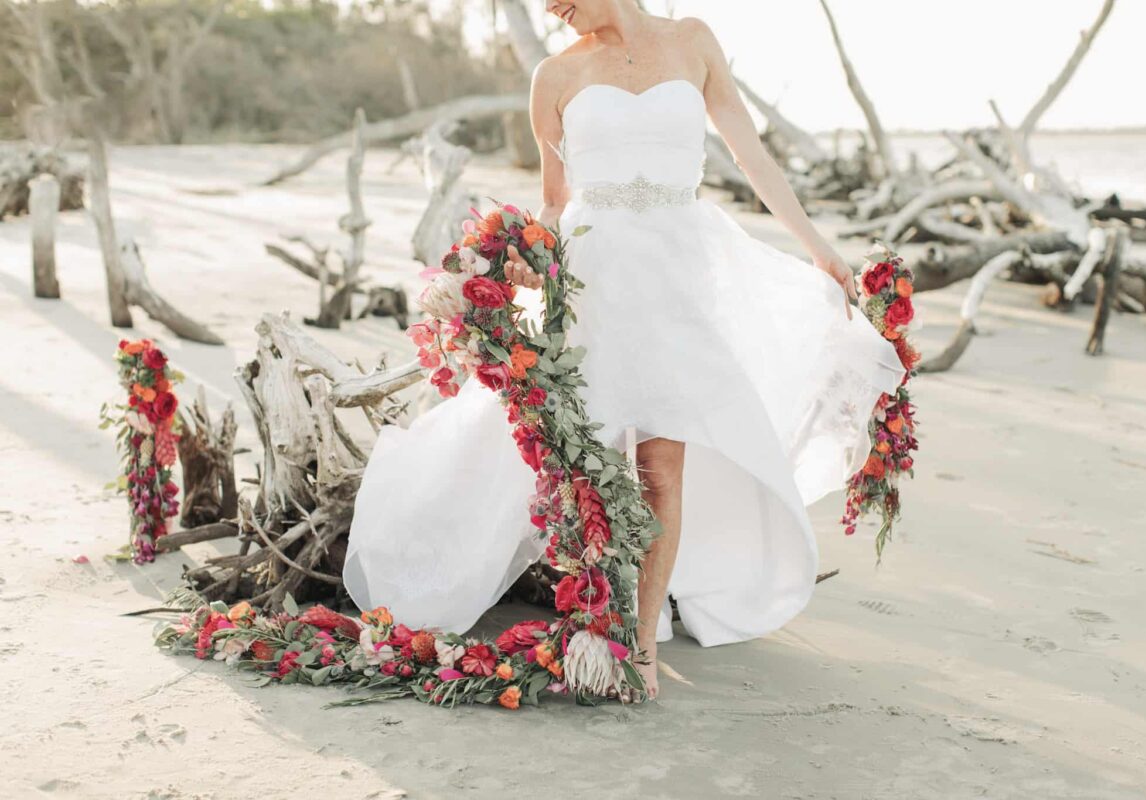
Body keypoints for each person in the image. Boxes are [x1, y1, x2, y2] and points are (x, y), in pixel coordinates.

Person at [342, 0, 907, 701]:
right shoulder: (554, 74)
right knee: (595, 462)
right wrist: (524, 308)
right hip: (591, 279)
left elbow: (749, 153)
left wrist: (820, 250)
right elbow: (553, 207)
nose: (550, 6)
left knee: (662, 465)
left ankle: (640, 636)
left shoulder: (693, 41)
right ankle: (600, 613)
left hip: (680, 276)